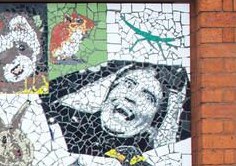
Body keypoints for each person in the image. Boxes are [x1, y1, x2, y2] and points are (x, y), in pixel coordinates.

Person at [42, 60, 190, 157]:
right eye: (128, 84)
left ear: (155, 121)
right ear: (110, 87)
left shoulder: (148, 157)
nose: (130, 97)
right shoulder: (58, 121)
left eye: (147, 97)